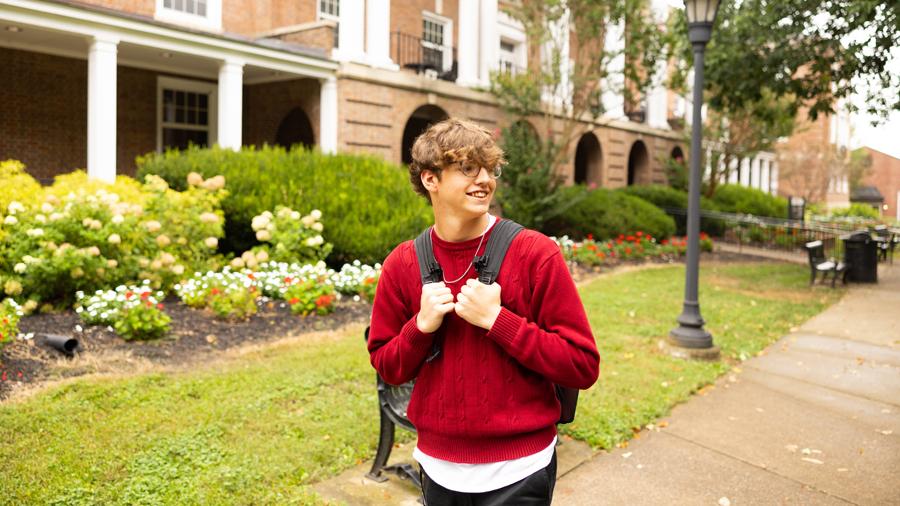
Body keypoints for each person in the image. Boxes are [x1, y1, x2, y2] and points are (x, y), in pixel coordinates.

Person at [367, 118, 600, 505]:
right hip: (438, 470)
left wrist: (499, 322)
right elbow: (388, 367)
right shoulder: (402, 263)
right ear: (431, 179)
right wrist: (420, 327)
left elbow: (582, 365)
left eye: (490, 169)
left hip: (521, 471)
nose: (485, 179)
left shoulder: (535, 254)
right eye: (468, 169)